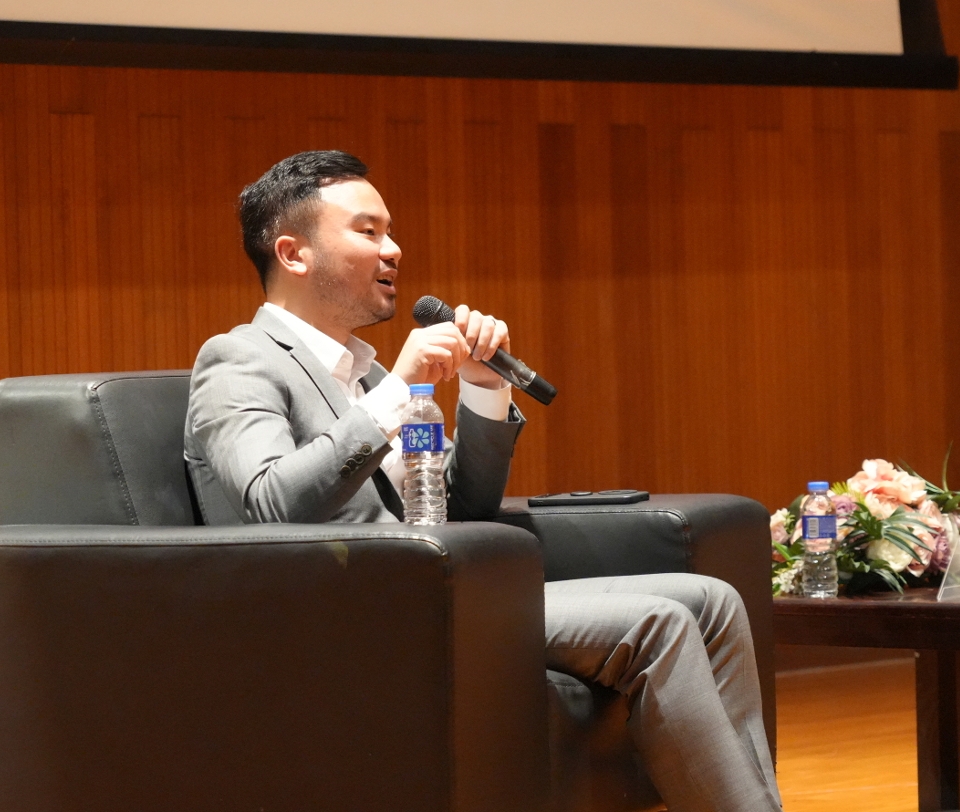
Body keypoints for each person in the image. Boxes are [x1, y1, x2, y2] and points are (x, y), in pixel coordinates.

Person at [184, 150, 783, 812]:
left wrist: (482, 388)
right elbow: (270, 504)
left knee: (712, 600)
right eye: (367, 230)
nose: (393, 249)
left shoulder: (366, 374)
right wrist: (399, 390)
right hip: (350, 611)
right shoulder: (239, 359)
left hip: (440, 589)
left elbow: (462, 508)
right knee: (658, 622)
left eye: (390, 231)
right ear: (293, 253)